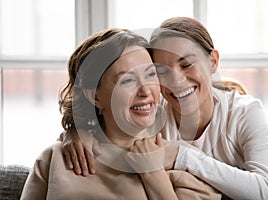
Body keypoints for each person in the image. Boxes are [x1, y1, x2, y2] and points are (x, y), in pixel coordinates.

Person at [61, 17, 268, 200]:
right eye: (161, 72)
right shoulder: (155, 113)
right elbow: (112, 125)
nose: (176, 81)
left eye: (186, 64)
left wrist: (181, 155)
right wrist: (76, 131)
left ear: (213, 62)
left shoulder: (244, 113)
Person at [20, 28, 221, 200]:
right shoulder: (55, 158)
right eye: (127, 80)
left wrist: (153, 174)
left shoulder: (183, 161)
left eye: (151, 74)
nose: (145, 91)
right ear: (95, 97)